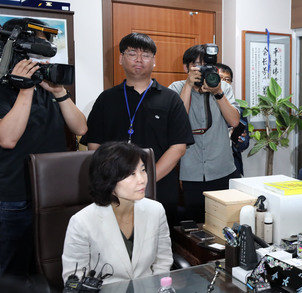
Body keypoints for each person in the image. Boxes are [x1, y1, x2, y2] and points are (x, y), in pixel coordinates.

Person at [0, 17, 87, 279]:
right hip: (14, 197)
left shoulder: (47, 89)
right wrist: (25, 90)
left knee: (48, 266)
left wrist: (59, 92)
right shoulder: (5, 91)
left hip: (52, 193)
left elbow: (81, 128)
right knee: (11, 271)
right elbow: (7, 138)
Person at [82, 33, 193, 227]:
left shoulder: (171, 99)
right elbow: (94, 144)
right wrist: (114, 180)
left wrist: (146, 180)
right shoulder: (105, 99)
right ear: (121, 58)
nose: (139, 59)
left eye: (146, 54)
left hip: (160, 188)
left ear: (154, 61)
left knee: (158, 247)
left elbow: (179, 146)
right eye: (132, 53)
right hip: (114, 189)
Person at [62, 142, 172, 284]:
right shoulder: (82, 222)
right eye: (131, 174)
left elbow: (163, 261)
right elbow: (74, 278)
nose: (142, 180)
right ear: (108, 179)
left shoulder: (156, 211)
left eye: (143, 170)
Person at [169, 45, 240, 223]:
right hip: (190, 171)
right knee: (196, 223)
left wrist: (217, 93)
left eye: (206, 65)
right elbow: (178, 123)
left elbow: (234, 121)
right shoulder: (175, 88)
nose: (202, 70)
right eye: (197, 65)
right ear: (186, 68)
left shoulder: (223, 87)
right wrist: (188, 85)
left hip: (222, 168)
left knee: (226, 221)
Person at [215, 62, 249, 176]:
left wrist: (238, 139)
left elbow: (245, 144)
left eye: (227, 79)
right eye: (220, 78)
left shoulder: (239, 110)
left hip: (232, 165)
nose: (224, 83)